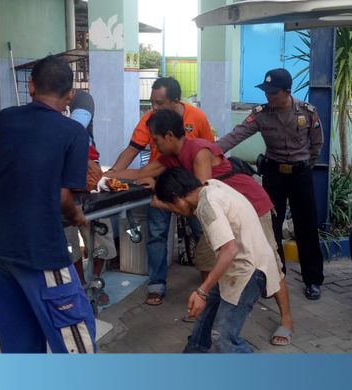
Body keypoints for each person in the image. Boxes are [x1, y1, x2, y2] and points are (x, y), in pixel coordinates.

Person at [108, 109, 295, 345]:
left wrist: (160, 191)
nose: (152, 145)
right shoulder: (169, 156)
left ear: (168, 136)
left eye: (155, 140)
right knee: (206, 256)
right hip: (219, 212)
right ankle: (207, 307)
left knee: (268, 263)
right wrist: (107, 175)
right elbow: (139, 173)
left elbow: (198, 197)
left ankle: (286, 320)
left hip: (250, 206)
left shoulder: (198, 152)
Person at [0, 55, 95, 353]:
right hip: (38, 248)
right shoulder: (73, 133)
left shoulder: (4, 118)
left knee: (17, 340)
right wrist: (77, 214)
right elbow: (63, 197)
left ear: (31, 86)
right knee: (75, 342)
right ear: (70, 95)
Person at [216, 68, 325, 300]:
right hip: (274, 175)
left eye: (274, 93)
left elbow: (317, 144)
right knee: (271, 228)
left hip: (300, 175)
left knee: (306, 226)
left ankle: (313, 280)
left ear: (287, 91)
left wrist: (305, 166)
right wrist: (210, 151)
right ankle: (277, 276)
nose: (269, 97)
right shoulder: (260, 114)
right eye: (266, 92)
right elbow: (236, 135)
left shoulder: (307, 113)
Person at [108, 77, 214, 306]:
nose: (153, 108)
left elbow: (210, 151)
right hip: (159, 182)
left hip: (192, 186)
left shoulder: (197, 118)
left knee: (203, 233)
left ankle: (209, 285)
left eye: (159, 103)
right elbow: (133, 150)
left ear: (175, 101)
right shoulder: (149, 120)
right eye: (151, 102)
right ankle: (156, 285)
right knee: (157, 234)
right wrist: (110, 175)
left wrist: (204, 189)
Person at [153, 168, 282, 353]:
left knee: (222, 336)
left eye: (172, 208)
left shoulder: (207, 205)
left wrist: (202, 291)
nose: (177, 212)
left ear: (176, 197)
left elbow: (229, 249)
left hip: (250, 271)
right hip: (237, 267)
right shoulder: (211, 186)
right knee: (204, 320)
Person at [65, 90, 115, 306]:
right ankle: (79, 286)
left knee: (101, 234)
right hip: (63, 185)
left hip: (89, 183)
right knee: (68, 241)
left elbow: (76, 128)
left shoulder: (81, 100)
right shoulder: (45, 109)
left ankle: (94, 281)